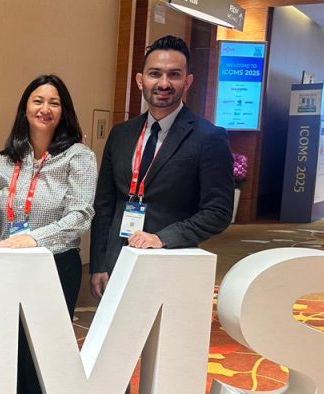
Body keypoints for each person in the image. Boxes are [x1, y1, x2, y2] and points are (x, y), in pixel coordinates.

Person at [0, 74, 96, 394]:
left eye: (54, 102)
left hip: (55, 266)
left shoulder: (78, 157)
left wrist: (35, 238)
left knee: (44, 352)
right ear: (25, 108)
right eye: (38, 101)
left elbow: (80, 215)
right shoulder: (7, 159)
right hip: (8, 268)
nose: (45, 108)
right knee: (10, 346)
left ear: (64, 111)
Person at [90, 35, 234, 301]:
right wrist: (98, 263)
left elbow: (218, 211)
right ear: (140, 80)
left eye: (174, 75)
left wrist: (163, 238)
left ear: (187, 81)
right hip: (117, 259)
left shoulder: (209, 138)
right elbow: (105, 204)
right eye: (155, 73)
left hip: (170, 259)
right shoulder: (121, 134)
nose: (164, 83)